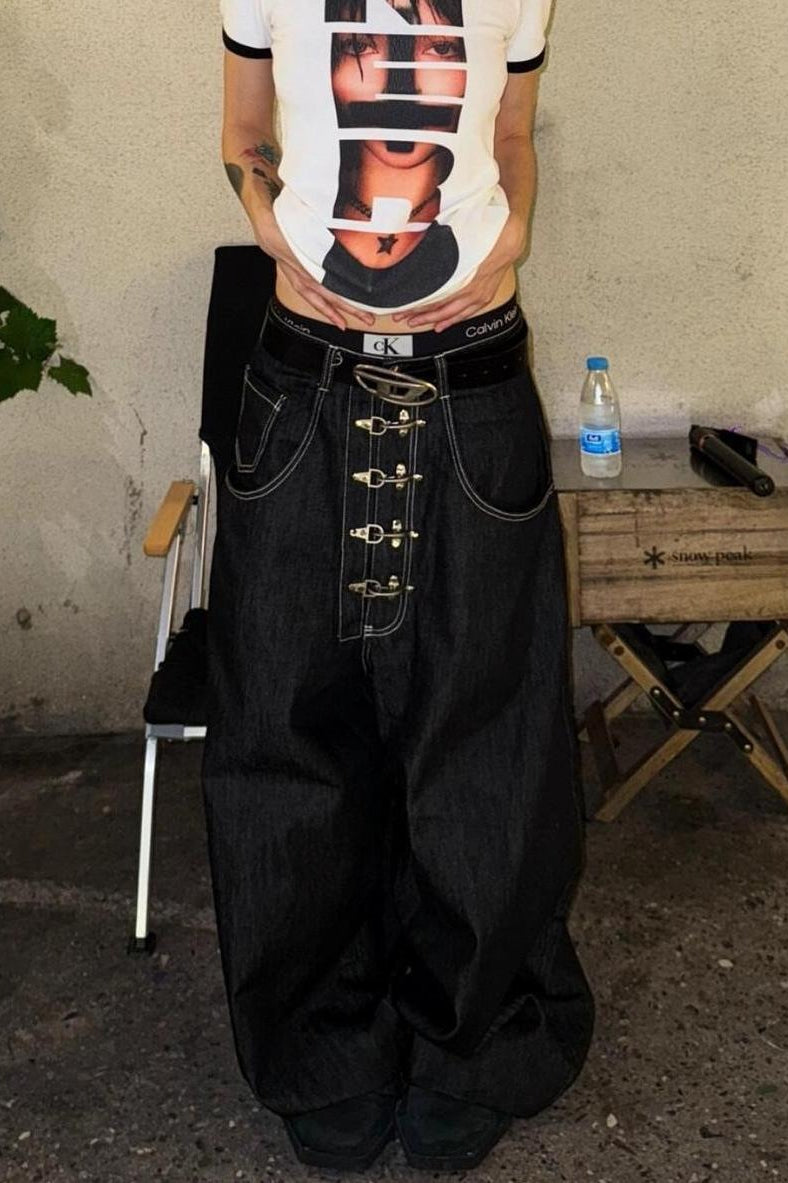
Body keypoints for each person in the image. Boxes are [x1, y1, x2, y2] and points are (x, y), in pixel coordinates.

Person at [203, 0, 595, 1172]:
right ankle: (320, 1046)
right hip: (301, 382)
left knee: (485, 735)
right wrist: (271, 235)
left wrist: (513, 234)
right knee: (289, 732)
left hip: (474, 381)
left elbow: (511, 132)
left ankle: (473, 1042)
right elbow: (242, 128)